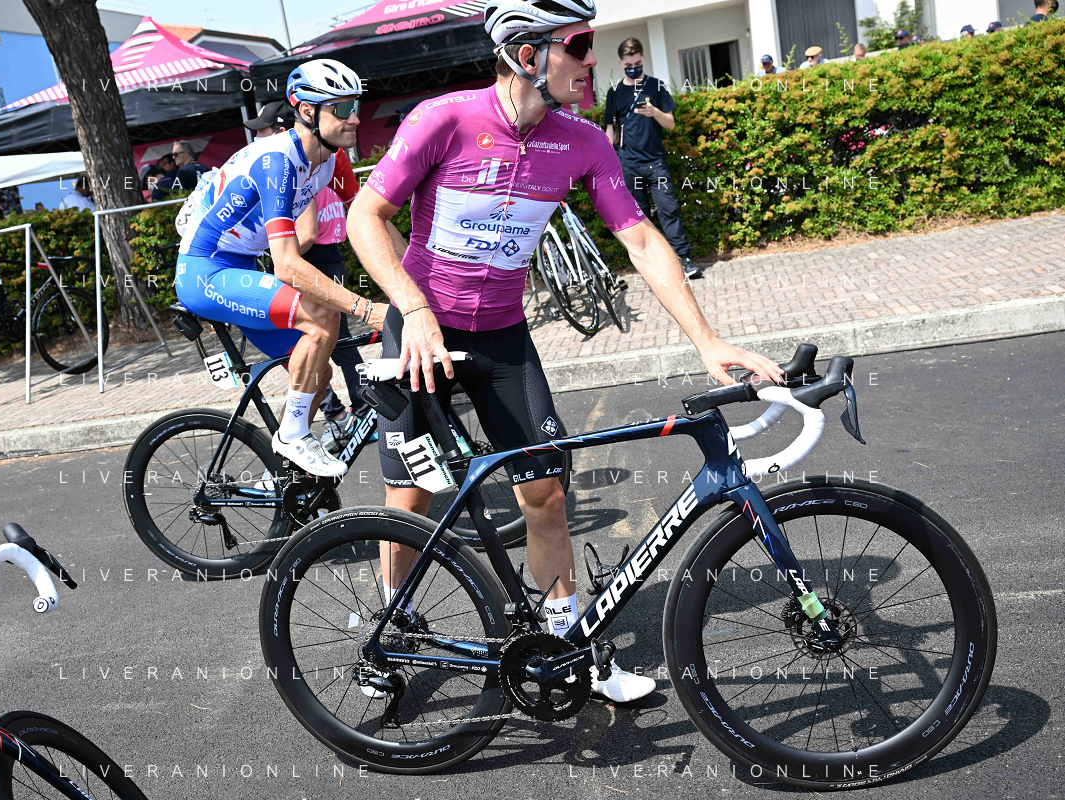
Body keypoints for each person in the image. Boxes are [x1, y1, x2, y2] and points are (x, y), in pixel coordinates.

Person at [347, 0, 785, 704]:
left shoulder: (582, 141)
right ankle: (387, 624)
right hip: (421, 330)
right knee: (413, 495)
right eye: (577, 46)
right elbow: (364, 216)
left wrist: (706, 341)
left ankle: (566, 646)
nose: (591, 61)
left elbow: (640, 240)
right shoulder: (443, 119)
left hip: (501, 335)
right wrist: (415, 309)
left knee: (546, 495)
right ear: (528, 56)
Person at [173, 59, 389, 477]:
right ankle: (291, 436)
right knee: (322, 317)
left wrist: (413, 282)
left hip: (239, 264)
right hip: (204, 270)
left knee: (318, 373)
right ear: (307, 111)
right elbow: (287, 264)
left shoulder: (329, 159)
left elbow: (368, 220)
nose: (356, 118)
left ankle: (286, 480)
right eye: (343, 109)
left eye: (357, 106)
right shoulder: (277, 162)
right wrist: (366, 308)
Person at [246, 99, 373, 455]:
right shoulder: (297, 162)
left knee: (329, 343)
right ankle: (342, 413)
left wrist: (276, 256)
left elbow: (307, 232)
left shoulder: (304, 164)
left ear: (283, 129)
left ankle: (346, 412)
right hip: (320, 260)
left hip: (314, 261)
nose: (258, 138)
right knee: (327, 344)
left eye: (263, 131)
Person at [603, 37, 699, 278]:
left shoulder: (656, 86)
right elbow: (610, 131)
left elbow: (671, 124)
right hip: (628, 164)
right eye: (628, 65)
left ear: (643, 58)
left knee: (669, 210)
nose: (633, 68)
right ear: (620, 63)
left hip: (655, 163)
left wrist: (655, 112)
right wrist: (606, 160)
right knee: (639, 217)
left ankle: (684, 259)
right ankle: (653, 265)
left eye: (637, 64)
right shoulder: (614, 93)